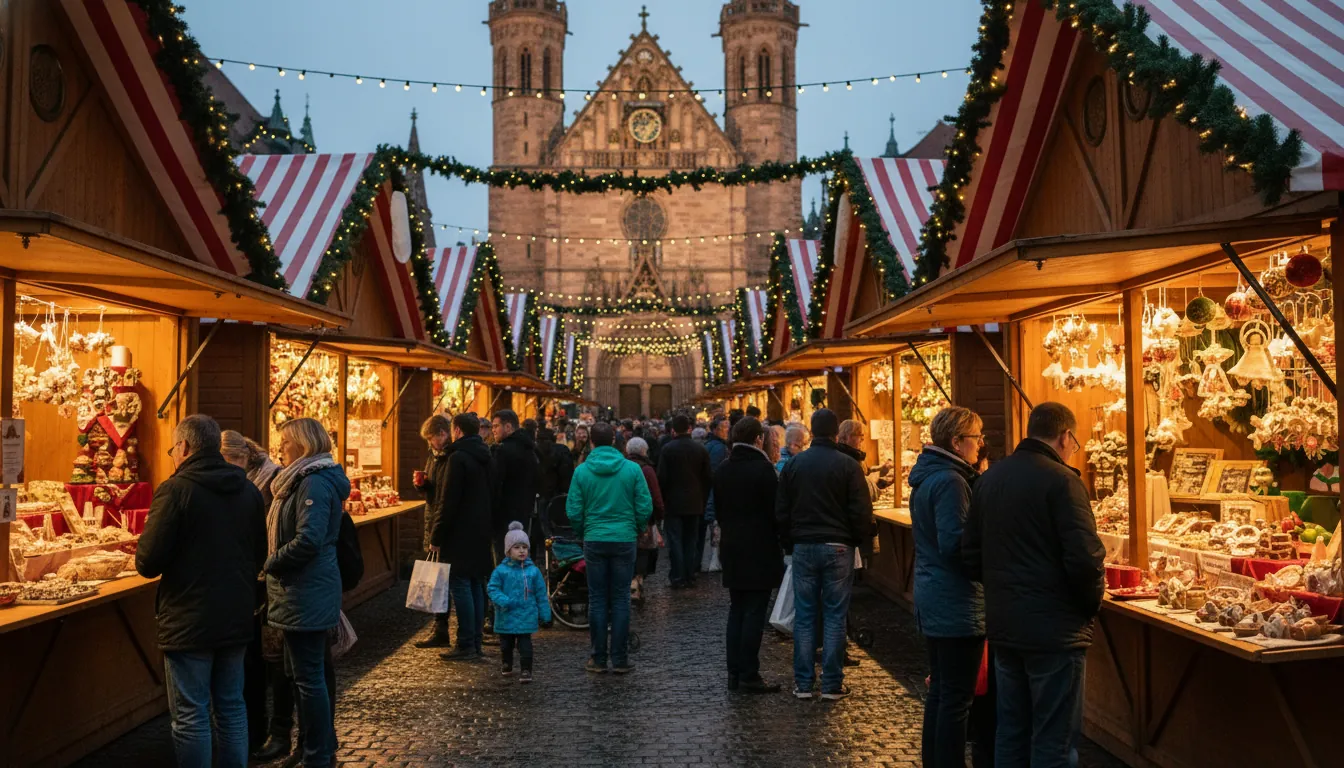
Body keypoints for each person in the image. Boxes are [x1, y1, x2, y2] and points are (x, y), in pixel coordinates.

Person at [963, 402, 1105, 768]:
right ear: (1065, 436)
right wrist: (1087, 607)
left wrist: (1003, 591)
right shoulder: (1064, 482)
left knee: (1011, 731)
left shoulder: (989, 479)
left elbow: (971, 555)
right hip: (1055, 633)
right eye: (1074, 442)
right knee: (1053, 740)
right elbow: (1086, 560)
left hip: (1006, 627)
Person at [136, 415, 265, 768]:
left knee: (191, 714)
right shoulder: (249, 490)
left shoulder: (175, 490)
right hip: (237, 615)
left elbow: (147, 562)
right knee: (232, 707)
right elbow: (260, 555)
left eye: (173, 450)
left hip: (188, 619)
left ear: (184, 447)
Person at [264, 417, 350, 768]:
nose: (280, 448)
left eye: (285, 442)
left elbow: (309, 539)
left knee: (309, 678)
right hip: (302, 590)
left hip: (305, 590)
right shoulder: (303, 480)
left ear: (302, 444)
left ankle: (317, 754)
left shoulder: (312, 482)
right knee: (306, 676)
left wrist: (272, 562)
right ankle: (315, 746)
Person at [776, 408, 873, 701]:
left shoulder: (795, 465)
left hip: (804, 545)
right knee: (834, 615)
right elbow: (861, 510)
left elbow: (781, 510)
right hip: (839, 546)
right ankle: (831, 683)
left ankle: (804, 684)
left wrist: (789, 543)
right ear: (836, 433)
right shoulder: (848, 465)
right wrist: (857, 541)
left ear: (812, 432)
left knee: (805, 616)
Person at [910, 407, 986, 768]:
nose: (980, 445)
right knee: (956, 698)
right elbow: (955, 545)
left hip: (935, 595)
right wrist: (988, 571)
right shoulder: (951, 482)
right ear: (957, 442)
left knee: (942, 693)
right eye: (976, 437)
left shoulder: (931, 477)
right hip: (956, 600)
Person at [220, 431, 287, 761]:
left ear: (241, 457)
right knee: (256, 663)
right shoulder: (249, 481)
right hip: (252, 583)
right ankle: (259, 732)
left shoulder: (269, 480)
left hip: (267, 584)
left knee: (271, 663)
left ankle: (275, 733)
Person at [567, 422, 653, 674]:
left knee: (597, 599)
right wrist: (636, 527)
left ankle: (598, 658)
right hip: (624, 539)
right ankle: (620, 658)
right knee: (620, 598)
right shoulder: (631, 469)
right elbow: (644, 506)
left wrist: (584, 531)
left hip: (595, 538)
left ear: (591, 442)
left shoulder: (582, 471)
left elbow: (573, 510)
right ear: (615, 441)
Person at [713, 416, 785, 694]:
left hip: (732, 548)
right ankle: (749, 674)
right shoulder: (764, 471)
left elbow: (719, 510)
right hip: (759, 549)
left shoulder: (723, 469)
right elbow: (776, 513)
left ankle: (735, 673)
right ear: (759, 440)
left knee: (737, 610)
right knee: (754, 613)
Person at [430, 413, 496, 662]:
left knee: (460, 584)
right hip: (480, 530)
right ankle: (475, 641)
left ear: (456, 430)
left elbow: (447, 502)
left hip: (459, 532)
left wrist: (437, 535)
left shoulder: (457, 458)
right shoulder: (486, 455)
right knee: (477, 584)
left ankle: (467, 642)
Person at [486, 522, 552, 683]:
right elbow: (492, 588)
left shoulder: (533, 571)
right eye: (517, 547)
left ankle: (526, 670)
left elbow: (541, 594)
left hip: (526, 615)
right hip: (506, 614)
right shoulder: (501, 571)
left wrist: (545, 614)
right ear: (508, 551)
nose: (522, 550)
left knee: (525, 645)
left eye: (524, 547)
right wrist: (503, 601)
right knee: (506, 644)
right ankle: (507, 663)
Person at [412, 415, 455, 649]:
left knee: (446, 579)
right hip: (434, 521)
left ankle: (445, 629)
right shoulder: (434, 456)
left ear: (443, 434)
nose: (430, 444)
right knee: (440, 579)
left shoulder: (450, 457)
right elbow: (434, 492)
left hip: (442, 524)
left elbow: (445, 499)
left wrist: (436, 536)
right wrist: (422, 485)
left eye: (431, 438)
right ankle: (440, 628)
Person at [656, 414, 712, 589]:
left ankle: (678, 576)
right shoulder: (700, 449)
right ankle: (690, 574)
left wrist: (663, 500)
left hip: (673, 503)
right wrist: (701, 497)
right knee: (691, 540)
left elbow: (662, 478)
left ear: (673, 430)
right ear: (689, 428)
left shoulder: (667, 449)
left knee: (676, 541)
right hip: (695, 503)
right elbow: (708, 478)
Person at [625, 436, 665, 602]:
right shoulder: (647, 470)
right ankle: (637, 582)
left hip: (627, 516)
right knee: (644, 551)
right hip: (644, 517)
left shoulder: (624, 467)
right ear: (644, 451)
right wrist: (659, 516)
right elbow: (656, 496)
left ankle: (633, 581)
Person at [536, 427, 574, 502]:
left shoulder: (535, 451)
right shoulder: (563, 450)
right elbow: (567, 474)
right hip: (559, 494)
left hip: (540, 493)